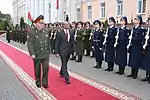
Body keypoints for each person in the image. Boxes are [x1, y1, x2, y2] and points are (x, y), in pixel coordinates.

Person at [27, 15, 51, 88]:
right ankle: (38, 81)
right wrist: (32, 53)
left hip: (45, 53)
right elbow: (30, 43)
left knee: (46, 67)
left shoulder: (46, 31)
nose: (42, 24)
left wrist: (49, 51)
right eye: (41, 23)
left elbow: (48, 42)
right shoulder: (31, 32)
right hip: (37, 54)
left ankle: (45, 82)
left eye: (43, 23)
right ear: (36, 23)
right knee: (37, 69)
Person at [127, 15, 146, 79]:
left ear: (139, 21)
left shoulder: (141, 29)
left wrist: (133, 38)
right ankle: (132, 73)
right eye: (134, 19)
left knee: (136, 60)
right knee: (132, 59)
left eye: (136, 19)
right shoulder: (133, 28)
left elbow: (141, 38)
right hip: (133, 46)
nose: (134, 20)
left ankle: (135, 74)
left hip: (138, 47)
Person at [141, 17, 150, 83]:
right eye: (148, 21)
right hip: (147, 48)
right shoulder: (147, 29)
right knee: (147, 63)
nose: (148, 23)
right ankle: (147, 75)